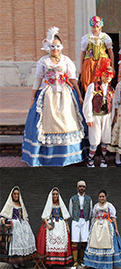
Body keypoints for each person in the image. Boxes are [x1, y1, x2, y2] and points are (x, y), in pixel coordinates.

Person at [22, 27, 87, 167]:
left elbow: (73, 78)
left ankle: (68, 157)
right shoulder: (43, 61)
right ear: (48, 47)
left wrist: (80, 96)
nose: (55, 49)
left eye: (58, 46)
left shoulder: (66, 60)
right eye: (52, 46)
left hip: (65, 95)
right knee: (45, 125)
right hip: (48, 95)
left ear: (61, 47)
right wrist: (32, 98)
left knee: (67, 121)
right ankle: (45, 158)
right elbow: (37, 80)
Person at [83, 59, 115, 167]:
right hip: (95, 116)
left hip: (106, 116)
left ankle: (103, 158)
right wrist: (88, 117)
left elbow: (113, 104)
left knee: (105, 138)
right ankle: (90, 159)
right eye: (106, 74)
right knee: (95, 139)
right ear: (101, 74)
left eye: (110, 75)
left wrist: (112, 117)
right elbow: (87, 102)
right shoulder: (93, 86)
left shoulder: (111, 89)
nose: (108, 77)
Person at [83, 190, 121, 269]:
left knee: (107, 243)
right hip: (96, 226)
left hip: (107, 226)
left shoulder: (109, 206)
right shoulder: (96, 206)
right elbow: (94, 216)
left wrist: (116, 229)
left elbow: (113, 217)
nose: (101, 198)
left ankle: (107, 264)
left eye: (103, 196)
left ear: (106, 197)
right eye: (100, 197)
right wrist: (90, 227)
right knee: (95, 243)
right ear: (98, 197)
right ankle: (93, 263)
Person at [0, 187, 36, 269]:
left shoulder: (21, 204)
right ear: (12, 195)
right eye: (15, 194)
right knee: (17, 243)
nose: (16, 195)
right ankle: (15, 262)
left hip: (23, 224)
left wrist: (28, 223)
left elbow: (25, 215)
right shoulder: (10, 204)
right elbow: (2, 215)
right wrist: (4, 223)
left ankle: (22, 261)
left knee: (25, 242)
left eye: (17, 194)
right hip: (15, 225)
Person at [36, 187, 72, 266]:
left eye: (56, 194)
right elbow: (44, 217)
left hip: (60, 223)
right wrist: (48, 225)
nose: (55, 196)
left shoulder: (61, 204)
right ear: (51, 195)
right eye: (53, 194)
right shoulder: (49, 204)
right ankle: (50, 261)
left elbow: (65, 216)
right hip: (52, 223)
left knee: (64, 239)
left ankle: (61, 261)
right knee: (49, 239)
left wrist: (67, 226)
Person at [80, 16, 114, 94]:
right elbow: (83, 52)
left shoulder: (105, 37)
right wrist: (81, 67)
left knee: (103, 80)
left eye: (97, 23)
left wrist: (112, 66)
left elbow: (110, 52)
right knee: (88, 80)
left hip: (102, 62)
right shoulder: (86, 38)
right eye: (93, 23)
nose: (95, 26)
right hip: (90, 62)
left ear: (101, 25)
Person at [69, 180, 92, 269]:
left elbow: (90, 210)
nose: (82, 188)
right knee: (74, 241)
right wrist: (75, 218)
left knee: (84, 241)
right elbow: (70, 210)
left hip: (85, 221)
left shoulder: (89, 198)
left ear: (85, 188)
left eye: (83, 186)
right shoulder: (73, 198)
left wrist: (87, 219)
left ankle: (81, 260)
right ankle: (75, 262)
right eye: (80, 186)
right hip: (76, 220)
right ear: (77, 187)